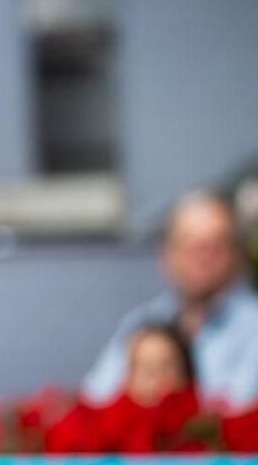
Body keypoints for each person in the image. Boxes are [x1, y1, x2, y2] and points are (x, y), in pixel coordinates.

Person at [82, 191, 258, 413]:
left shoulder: (253, 327)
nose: (203, 257)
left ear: (238, 254)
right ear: (166, 254)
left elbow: (235, 416)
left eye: (216, 245)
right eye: (190, 245)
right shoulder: (142, 323)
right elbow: (96, 399)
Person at [49, 325, 204, 453]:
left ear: (186, 374)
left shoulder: (207, 431)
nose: (154, 377)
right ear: (128, 377)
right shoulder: (104, 431)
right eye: (145, 368)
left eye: (165, 367)